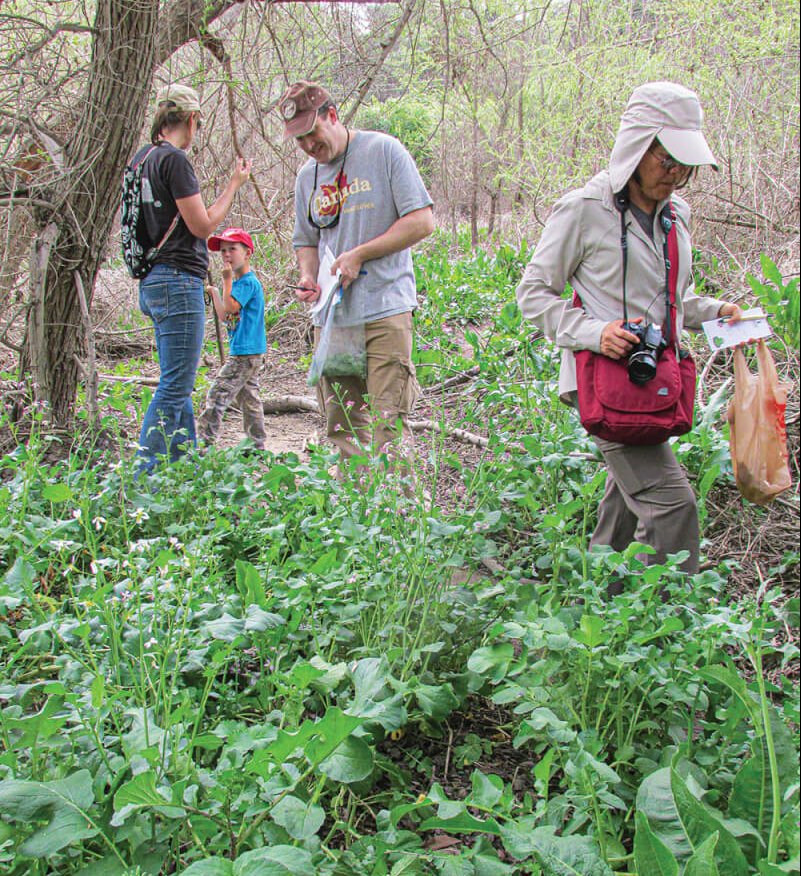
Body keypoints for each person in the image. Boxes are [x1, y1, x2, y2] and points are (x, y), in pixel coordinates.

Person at [515, 82, 742, 576]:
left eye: (686, 165)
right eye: (666, 160)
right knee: (672, 507)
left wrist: (714, 311)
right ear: (638, 147)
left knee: (626, 496)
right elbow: (532, 294)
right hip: (603, 381)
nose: (676, 175)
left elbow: (670, 302)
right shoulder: (584, 209)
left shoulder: (675, 215)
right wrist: (595, 333)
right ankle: (665, 626)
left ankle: (600, 596)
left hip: (653, 381)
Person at [281, 80, 434, 475]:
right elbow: (306, 240)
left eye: (312, 134)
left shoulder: (384, 151)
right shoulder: (306, 179)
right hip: (333, 317)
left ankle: (396, 519)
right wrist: (308, 277)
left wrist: (361, 254)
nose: (309, 146)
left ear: (332, 115)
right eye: (299, 141)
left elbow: (422, 221)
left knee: (389, 423)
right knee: (342, 425)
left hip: (385, 308)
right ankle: (355, 522)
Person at [132, 84, 251, 473]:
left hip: (151, 283)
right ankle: (142, 478)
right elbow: (201, 226)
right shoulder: (174, 161)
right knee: (175, 387)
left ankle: (184, 470)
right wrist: (233, 185)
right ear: (192, 119)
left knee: (178, 380)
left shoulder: (140, 159)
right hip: (177, 280)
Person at [198, 227, 267, 450]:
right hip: (246, 350)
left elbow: (231, 306)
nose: (227, 255)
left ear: (247, 253)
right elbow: (224, 314)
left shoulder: (247, 282)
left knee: (217, 394)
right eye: (223, 251)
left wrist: (226, 282)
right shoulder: (237, 284)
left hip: (245, 352)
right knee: (249, 399)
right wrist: (215, 293)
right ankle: (256, 445)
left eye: (232, 249)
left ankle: (205, 445)